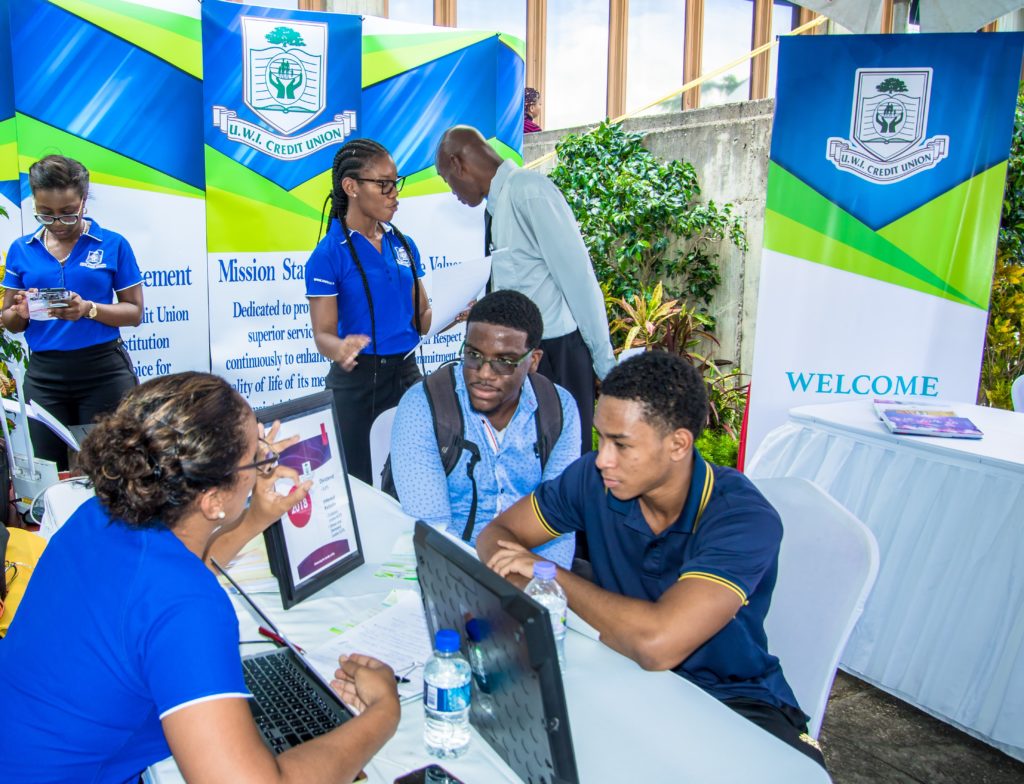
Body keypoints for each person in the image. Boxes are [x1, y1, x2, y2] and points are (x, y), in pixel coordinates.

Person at [0, 372, 401, 783]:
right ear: (212, 500)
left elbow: (166, 578)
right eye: (257, 456)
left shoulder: (99, 515)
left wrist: (256, 517)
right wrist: (383, 713)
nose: (267, 462)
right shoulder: (189, 606)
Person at [476, 352, 826, 768]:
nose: (602, 458)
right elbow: (496, 535)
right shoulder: (594, 479)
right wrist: (525, 579)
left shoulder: (741, 517)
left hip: (731, 700)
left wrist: (549, 578)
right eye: (600, 438)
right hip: (619, 671)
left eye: (621, 444)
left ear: (678, 444)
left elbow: (657, 645)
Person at [435, 125, 616, 455]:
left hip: (556, 357)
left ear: (458, 164)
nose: (453, 192)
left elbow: (579, 281)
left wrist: (607, 369)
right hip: (521, 359)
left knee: (565, 463)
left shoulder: (529, 192)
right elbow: (523, 281)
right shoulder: (497, 207)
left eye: (447, 180)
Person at [390, 290, 580, 568]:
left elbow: (559, 520)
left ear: (534, 361)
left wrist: (542, 584)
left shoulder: (559, 409)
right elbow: (433, 531)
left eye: (504, 361)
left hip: (529, 568)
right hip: (452, 568)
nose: (484, 373)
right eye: (474, 355)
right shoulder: (424, 405)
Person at [1, 154, 144, 470]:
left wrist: (88, 309)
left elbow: (134, 312)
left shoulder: (113, 244)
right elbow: (9, 321)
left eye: (67, 213)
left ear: (83, 201)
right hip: (44, 378)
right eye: (45, 214)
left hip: (103, 373)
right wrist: (21, 311)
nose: (57, 223)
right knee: (50, 471)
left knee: (109, 469)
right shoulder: (21, 249)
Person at [306, 138, 432, 484]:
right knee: (359, 482)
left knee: (413, 475)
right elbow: (323, 334)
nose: (394, 194)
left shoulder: (403, 244)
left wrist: (455, 310)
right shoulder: (329, 254)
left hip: (406, 373)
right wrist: (340, 348)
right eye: (383, 184)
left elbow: (422, 319)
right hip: (357, 383)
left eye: (396, 183)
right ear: (351, 187)